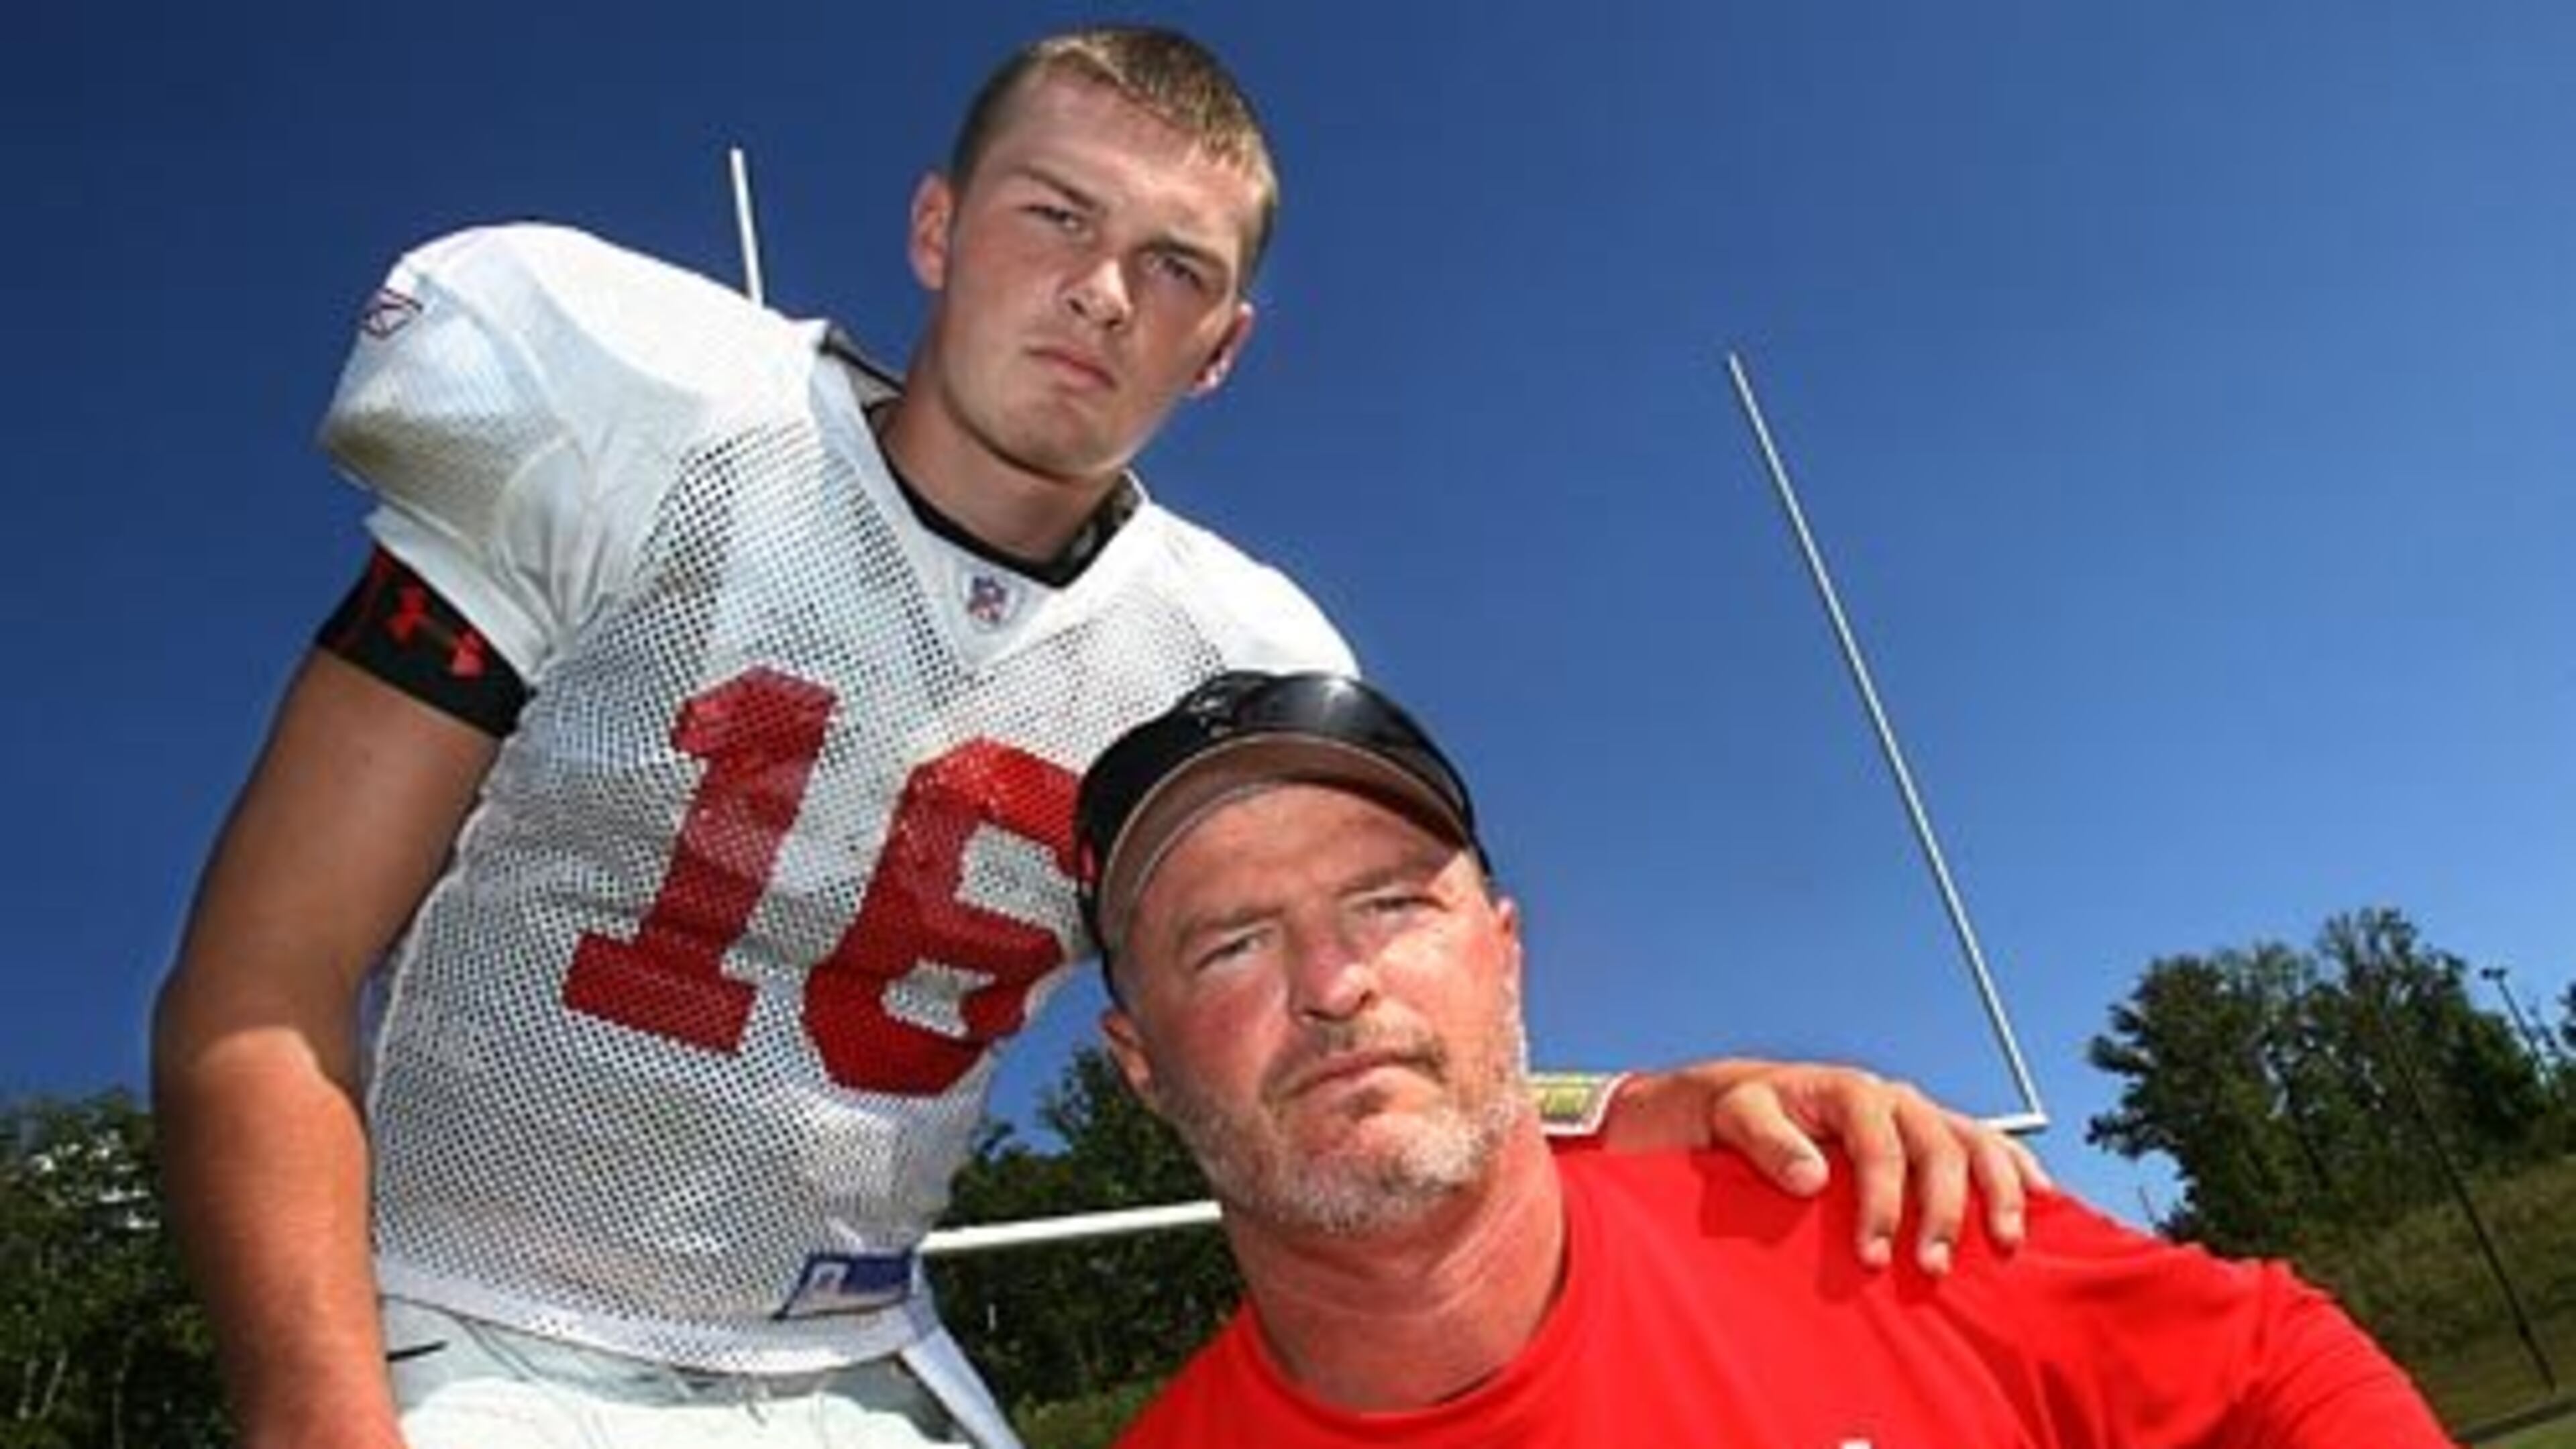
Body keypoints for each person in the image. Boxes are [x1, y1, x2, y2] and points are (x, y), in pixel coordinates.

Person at [150, 26, 2041, 1449]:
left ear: (1222, 347)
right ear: (937, 224)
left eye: (1177, 266)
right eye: (1056, 214)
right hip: (471, 1323)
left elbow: (1308, 1031)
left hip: (852, 1366)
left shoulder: (1231, 652)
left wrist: (1625, 1108)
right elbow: (261, 984)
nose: (1101, 291)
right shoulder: (653, 431)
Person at [1081, 669, 2459, 1449]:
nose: (1336, 984)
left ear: (1506, 950)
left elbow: (2269, 1365)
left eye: (1391, 904)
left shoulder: (1852, 1213)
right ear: (1138, 1062)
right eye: (1231, 947)